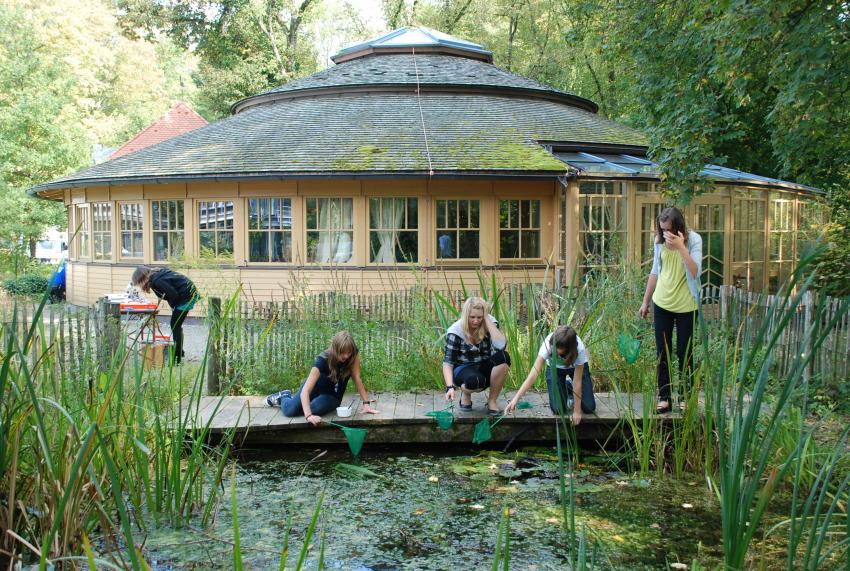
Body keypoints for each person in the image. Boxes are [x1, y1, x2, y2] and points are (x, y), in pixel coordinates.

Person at [638, 207, 702, 414]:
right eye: (662, 229)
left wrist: (681, 247)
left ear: (678, 226)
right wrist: (645, 302)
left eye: (669, 229)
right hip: (662, 303)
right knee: (662, 352)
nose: (665, 233)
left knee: (685, 352)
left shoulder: (694, 240)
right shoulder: (659, 242)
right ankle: (664, 397)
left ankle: (684, 396)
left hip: (686, 305)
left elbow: (695, 271)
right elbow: (655, 272)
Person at [266, 331, 379, 425]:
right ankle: (284, 397)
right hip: (314, 388)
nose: (346, 356)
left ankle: (305, 405)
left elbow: (356, 377)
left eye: (348, 352)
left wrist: (366, 404)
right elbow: (306, 390)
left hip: (332, 396)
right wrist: (308, 416)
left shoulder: (353, 354)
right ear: (335, 349)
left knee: (315, 408)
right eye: (342, 352)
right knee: (290, 411)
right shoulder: (322, 360)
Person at [506, 325, 596, 425]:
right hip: (555, 369)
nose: (553, 348)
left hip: (575, 369)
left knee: (589, 407)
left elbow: (577, 380)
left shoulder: (579, 349)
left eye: (558, 348)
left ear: (568, 348)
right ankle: (566, 386)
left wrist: (577, 411)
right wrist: (516, 399)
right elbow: (533, 374)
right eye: (553, 345)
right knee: (558, 410)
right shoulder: (548, 344)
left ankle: (569, 386)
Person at [442, 297, 510, 416]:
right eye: (472, 317)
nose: (476, 321)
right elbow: (448, 363)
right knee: (476, 381)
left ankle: (492, 401)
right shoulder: (455, 331)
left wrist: (487, 319)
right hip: (463, 368)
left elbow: (501, 346)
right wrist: (449, 387)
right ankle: (465, 393)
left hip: (484, 364)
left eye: (479, 317)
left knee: (504, 357)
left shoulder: (490, 323)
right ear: (465, 315)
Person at [131, 266, 199, 365]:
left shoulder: (157, 281)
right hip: (186, 294)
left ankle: (177, 359)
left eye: (138, 283)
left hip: (186, 296)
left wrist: (174, 307)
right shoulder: (155, 276)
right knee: (176, 325)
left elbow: (173, 295)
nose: (140, 286)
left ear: (142, 278)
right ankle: (180, 352)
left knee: (175, 326)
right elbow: (169, 293)